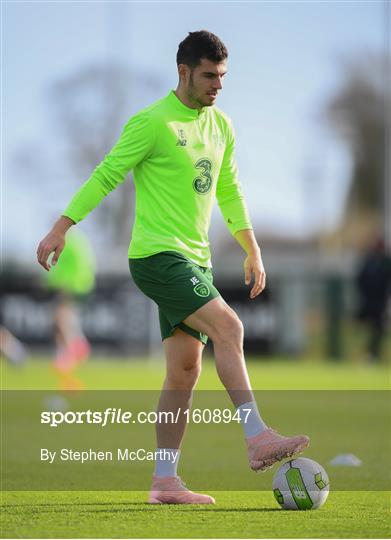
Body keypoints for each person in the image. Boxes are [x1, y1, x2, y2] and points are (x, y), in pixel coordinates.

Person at [37, 30, 309, 504]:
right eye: (209, 75)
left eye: (223, 76)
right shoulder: (152, 123)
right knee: (230, 328)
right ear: (184, 72)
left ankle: (165, 482)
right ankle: (257, 435)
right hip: (156, 257)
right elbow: (107, 174)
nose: (218, 85)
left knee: (184, 371)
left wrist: (252, 247)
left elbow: (229, 189)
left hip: (195, 262)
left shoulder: (221, 126)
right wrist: (62, 226)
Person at [44, 229, 95, 389]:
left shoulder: (68, 243)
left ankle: (73, 350)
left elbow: (61, 268)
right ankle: (70, 351)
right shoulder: (78, 241)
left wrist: (53, 283)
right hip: (80, 286)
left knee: (62, 318)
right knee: (63, 320)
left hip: (73, 287)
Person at [355, 237, 391, 362]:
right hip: (367, 302)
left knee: (378, 330)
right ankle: (365, 354)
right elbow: (360, 279)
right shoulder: (369, 261)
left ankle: (374, 354)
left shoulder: (386, 262)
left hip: (380, 303)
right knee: (363, 329)